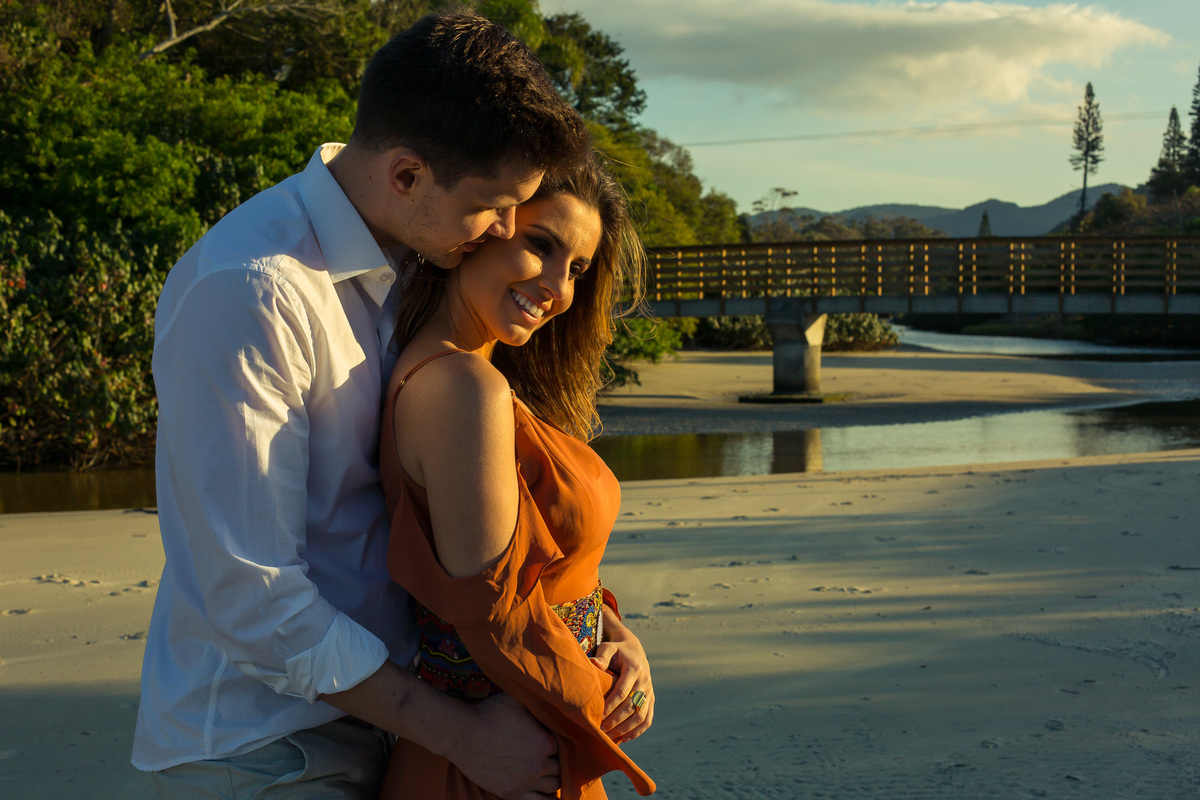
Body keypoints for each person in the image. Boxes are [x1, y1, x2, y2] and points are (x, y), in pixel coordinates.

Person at [133, 8, 653, 798]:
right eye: (496, 210)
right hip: (260, 754)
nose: (505, 234)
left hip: (391, 724)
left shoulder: (417, 264)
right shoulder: (253, 290)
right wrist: (465, 735)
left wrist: (605, 630)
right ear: (407, 175)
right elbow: (256, 603)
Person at [378, 155, 655, 799]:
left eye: (578, 269)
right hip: (507, 756)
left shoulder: (481, 378)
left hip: (532, 734)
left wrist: (618, 639)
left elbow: (538, 574)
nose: (558, 288)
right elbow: (495, 616)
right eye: (540, 245)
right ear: (483, 229)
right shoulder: (462, 387)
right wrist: (598, 703)